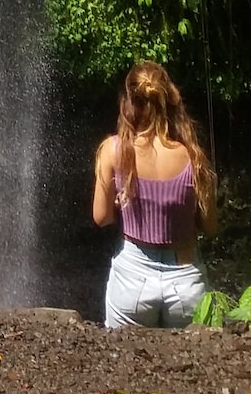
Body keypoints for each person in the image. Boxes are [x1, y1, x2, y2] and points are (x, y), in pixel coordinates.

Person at [92, 60, 217, 328]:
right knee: (196, 365)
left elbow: (101, 218)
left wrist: (120, 202)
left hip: (133, 276)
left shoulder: (112, 151)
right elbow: (210, 225)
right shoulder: (193, 157)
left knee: (123, 361)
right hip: (185, 279)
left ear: (128, 101)